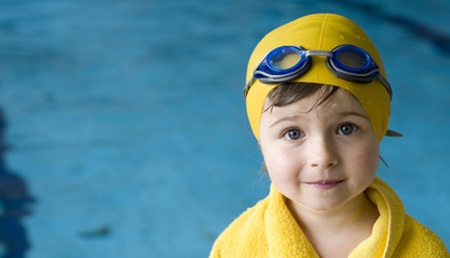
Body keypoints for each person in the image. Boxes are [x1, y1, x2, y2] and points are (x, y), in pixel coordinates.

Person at [209, 13, 448, 257]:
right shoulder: (236, 247)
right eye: (293, 133)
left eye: (346, 128)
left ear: (377, 131)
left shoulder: (424, 251)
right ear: (262, 143)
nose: (322, 156)